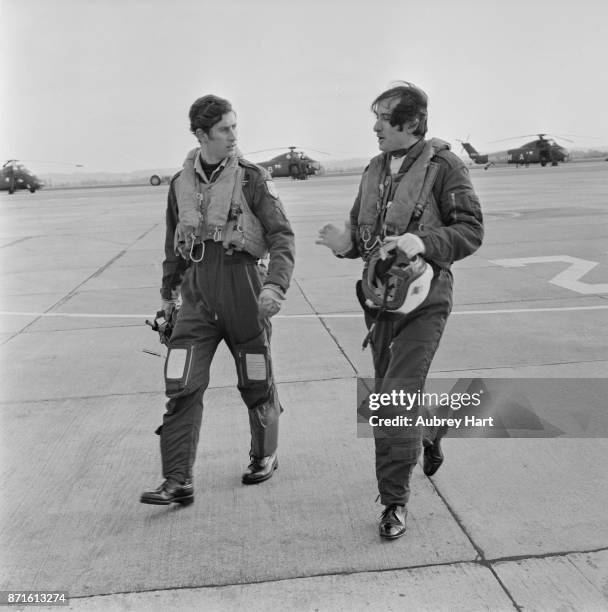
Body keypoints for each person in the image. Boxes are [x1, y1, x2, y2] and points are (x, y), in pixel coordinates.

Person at [316, 82, 483, 539]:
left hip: (425, 302)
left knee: (394, 400)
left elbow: (470, 230)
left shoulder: (445, 166)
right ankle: (426, 436)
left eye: (384, 118)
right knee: (391, 399)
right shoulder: (373, 169)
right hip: (381, 305)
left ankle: (393, 502)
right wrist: (345, 244)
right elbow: (363, 236)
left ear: (410, 123)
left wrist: (425, 242)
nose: (375, 126)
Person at [141, 95, 295, 505]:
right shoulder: (179, 184)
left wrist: (275, 285)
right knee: (181, 382)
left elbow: (282, 235)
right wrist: (167, 298)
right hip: (196, 293)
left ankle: (264, 454)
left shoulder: (252, 179)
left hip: (245, 288)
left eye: (234, 127)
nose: (233, 136)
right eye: (225, 129)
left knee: (256, 378)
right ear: (201, 134)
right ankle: (177, 480)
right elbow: (173, 246)